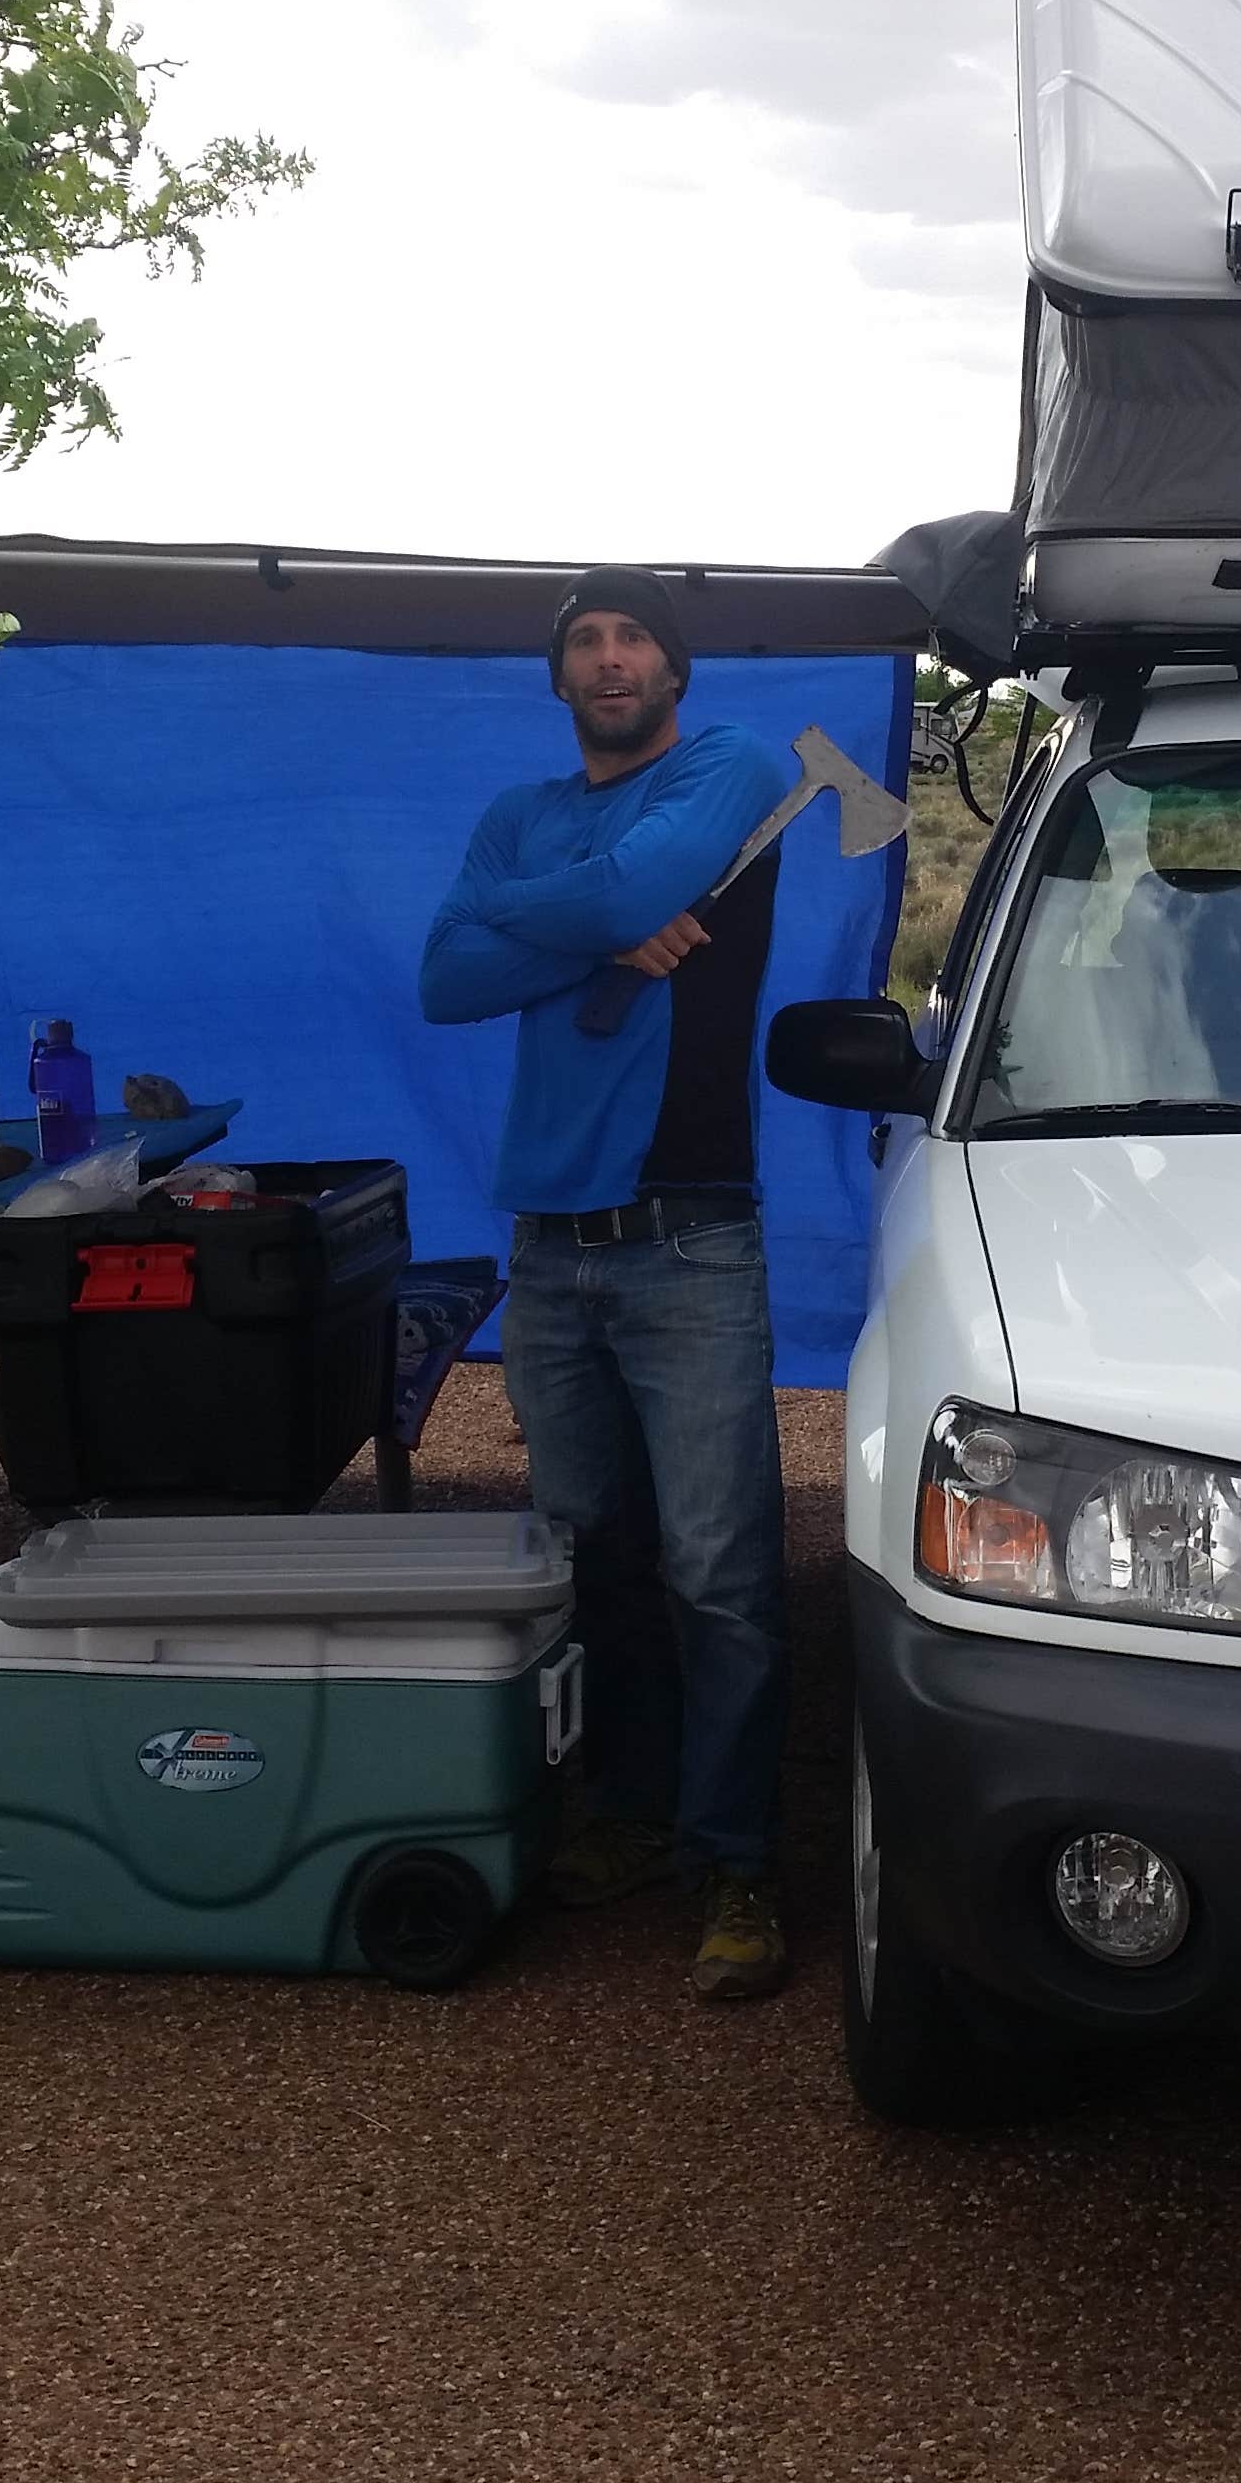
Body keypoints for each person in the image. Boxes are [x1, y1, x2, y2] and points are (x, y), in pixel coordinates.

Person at [418, 570, 803, 2000]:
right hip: (552, 1246)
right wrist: (585, 918)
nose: (609, 655)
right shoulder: (521, 813)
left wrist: (554, 916)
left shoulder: (736, 768)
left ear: (675, 667)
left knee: (723, 1575)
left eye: (633, 633)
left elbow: (634, 887)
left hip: (692, 1233)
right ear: (559, 675)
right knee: (595, 1564)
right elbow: (443, 979)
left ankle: (737, 1865)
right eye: (584, 639)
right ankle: (637, 1819)